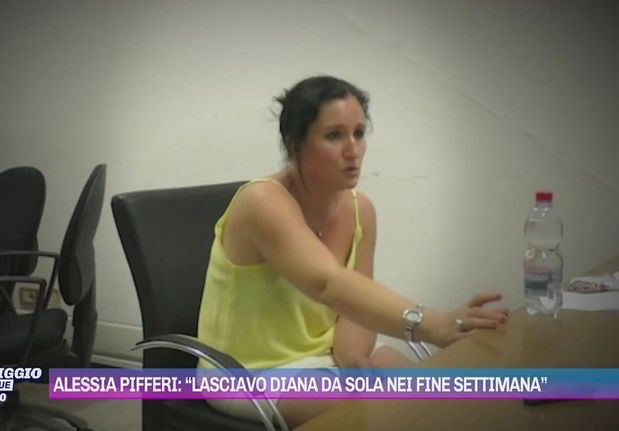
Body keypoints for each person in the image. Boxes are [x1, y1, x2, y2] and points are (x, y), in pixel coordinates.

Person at [197, 75, 509, 427]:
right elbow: (328, 283)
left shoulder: (361, 211)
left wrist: (359, 367)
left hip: (324, 358)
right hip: (248, 372)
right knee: (388, 417)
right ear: (294, 142)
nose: (353, 149)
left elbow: (351, 314)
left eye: (359, 133)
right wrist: (433, 325)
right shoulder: (262, 201)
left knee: (435, 402)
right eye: (334, 136)